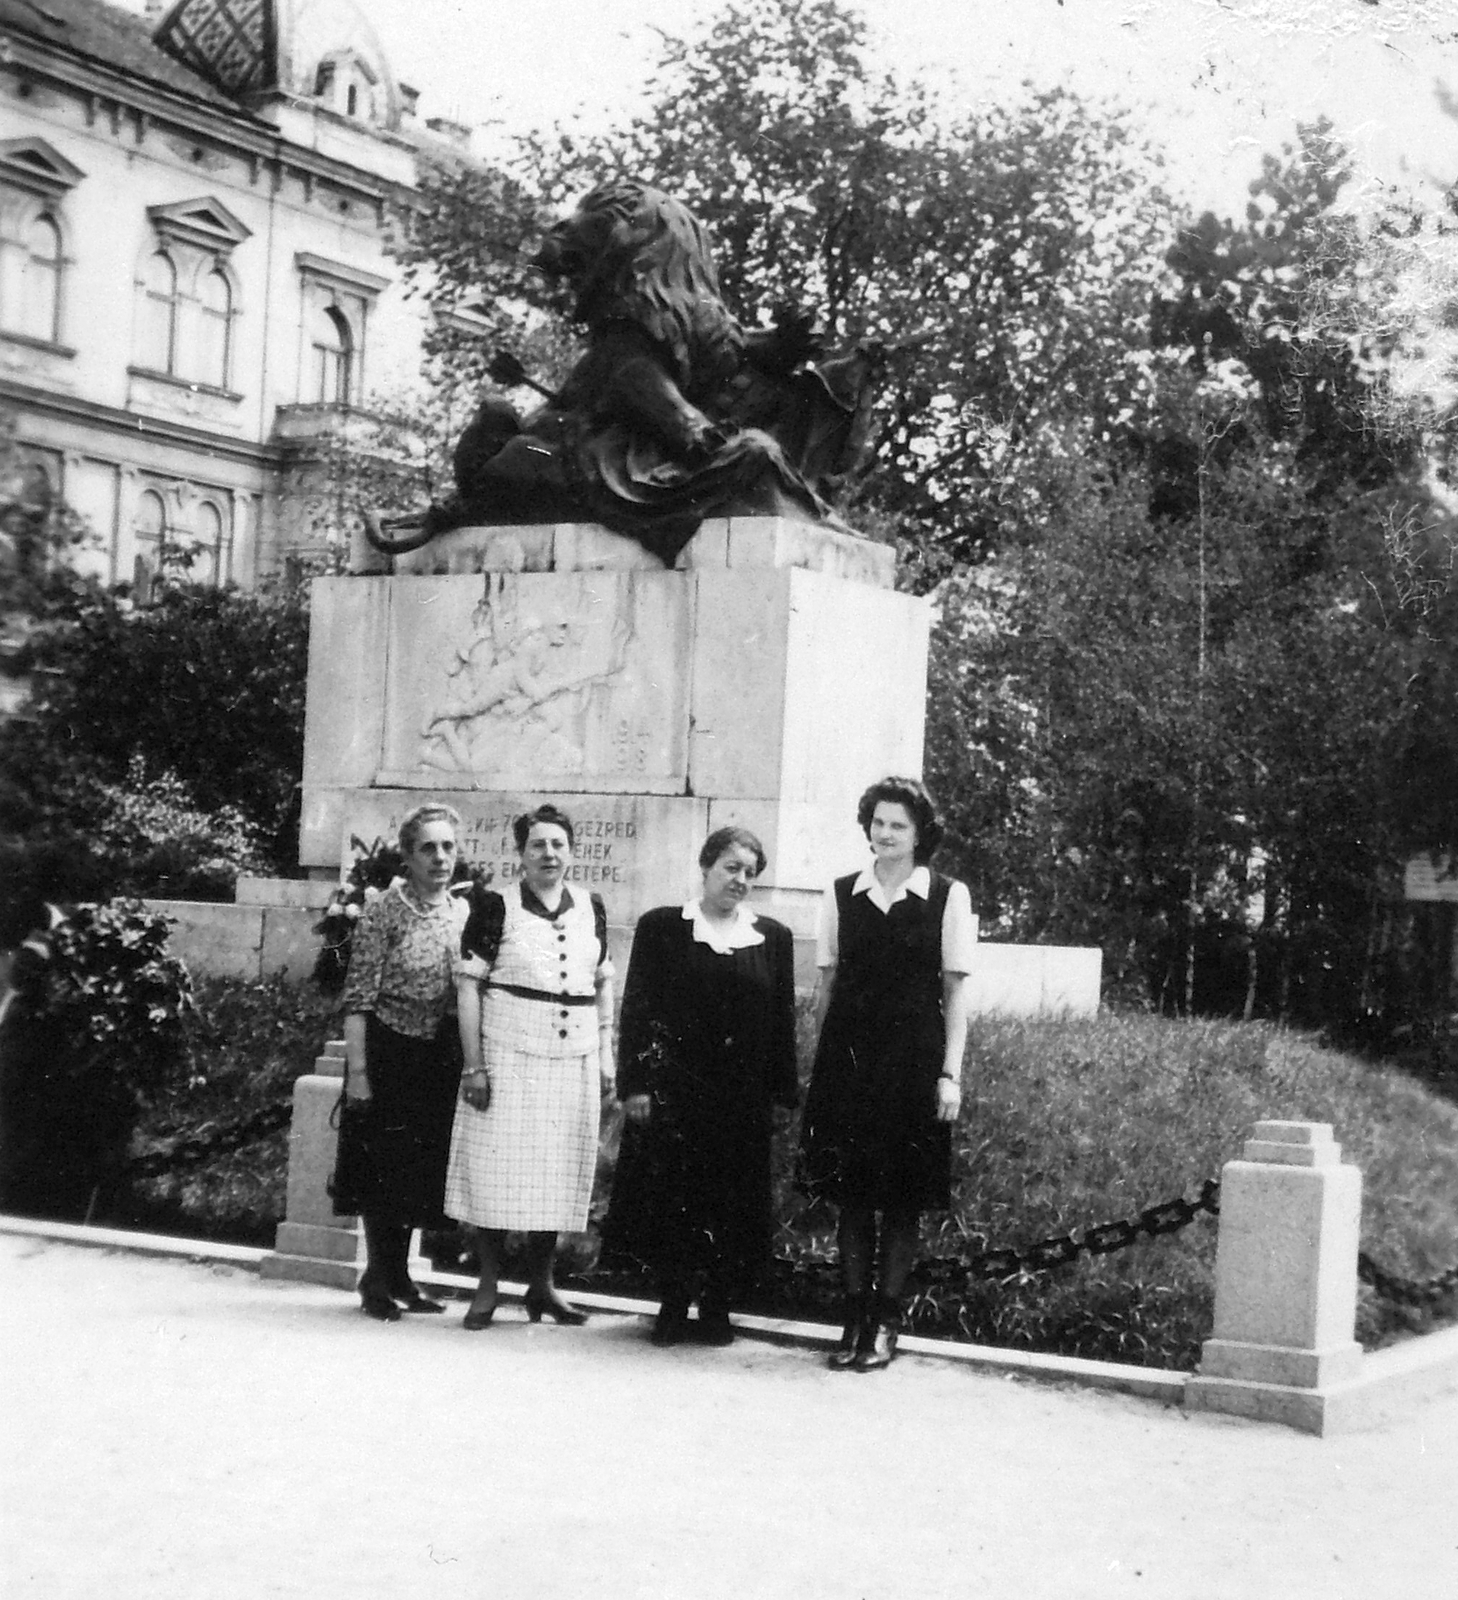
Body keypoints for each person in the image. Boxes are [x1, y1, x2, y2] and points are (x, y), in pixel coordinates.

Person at [798, 777, 976, 1371]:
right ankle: (851, 1321)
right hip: (849, 1064)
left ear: (920, 833)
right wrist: (817, 1062)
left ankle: (885, 1324)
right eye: (877, 822)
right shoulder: (841, 893)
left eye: (898, 824)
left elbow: (955, 994)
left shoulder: (949, 897)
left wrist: (949, 1075)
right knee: (851, 1200)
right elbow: (826, 985)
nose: (885, 833)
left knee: (900, 1200)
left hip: (913, 1064)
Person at [604, 826, 799, 1347]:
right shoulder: (663, 927)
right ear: (706, 866)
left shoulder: (772, 938)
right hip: (676, 1093)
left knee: (731, 1201)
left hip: (741, 1098)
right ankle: (671, 1303)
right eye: (731, 868)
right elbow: (638, 1009)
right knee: (673, 1197)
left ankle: (717, 1306)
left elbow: (782, 1022)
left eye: (750, 873)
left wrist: (782, 1094)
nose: (740, 880)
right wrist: (636, 1085)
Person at [446, 805, 615, 1329]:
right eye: (538, 844)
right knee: (497, 1171)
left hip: (574, 1057)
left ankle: (543, 1286)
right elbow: (468, 987)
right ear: (521, 854)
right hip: (508, 1053)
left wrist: (606, 1055)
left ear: (571, 851)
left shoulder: (592, 906)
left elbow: (604, 982)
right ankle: (488, 1286)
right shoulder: (495, 905)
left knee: (557, 1173)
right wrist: (474, 1067)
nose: (549, 854)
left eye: (558, 844)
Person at [336, 804, 469, 1321]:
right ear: (408, 857)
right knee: (382, 1169)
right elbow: (358, 999)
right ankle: (375, 1278)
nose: (440, 858)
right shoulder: (383, 910)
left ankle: (401, 1277)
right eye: (428, 848)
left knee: (417, 1170)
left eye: (448, 847)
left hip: (437, 1055)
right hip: (389, 1050)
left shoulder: (460, 911)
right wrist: (360, 1075)